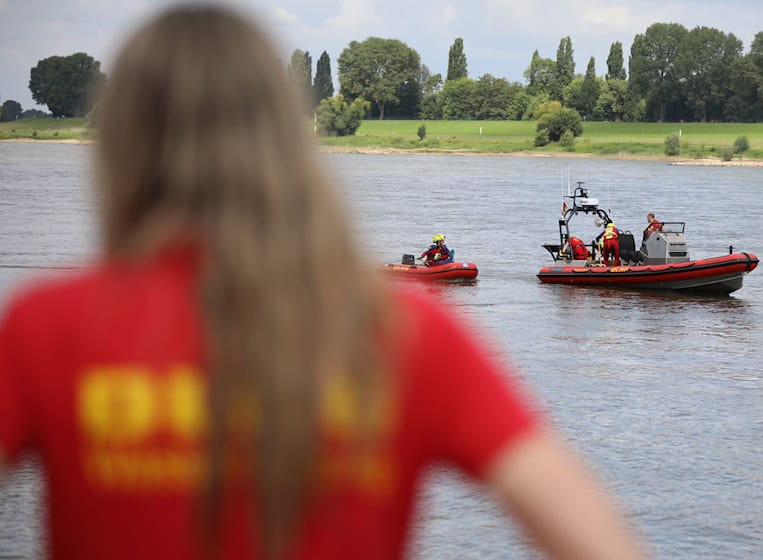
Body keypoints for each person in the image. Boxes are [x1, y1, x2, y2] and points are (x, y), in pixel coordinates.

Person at [0, 6, 646, 560]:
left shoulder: (44, 328)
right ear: (285, 142)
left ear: (121, 143)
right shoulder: (409, 332)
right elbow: (595, 536)